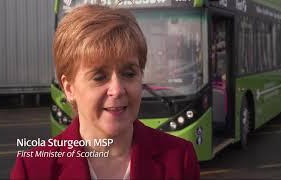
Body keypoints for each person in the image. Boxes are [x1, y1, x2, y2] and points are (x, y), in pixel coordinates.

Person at [11, 4, 200, 180]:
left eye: (129, 73)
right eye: (99, 77)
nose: (117, 90)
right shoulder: (33, 168)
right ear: (69, 88)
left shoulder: (179, 159)